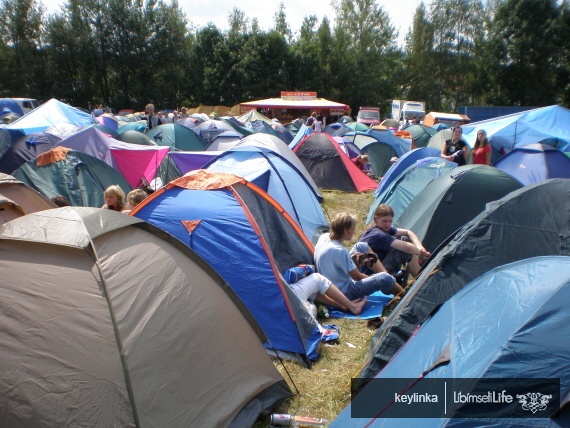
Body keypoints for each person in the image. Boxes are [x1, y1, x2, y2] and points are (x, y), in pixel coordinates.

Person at [314, 213, 404, 301]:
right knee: (384, 278)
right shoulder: (340, 251)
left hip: (330, 279)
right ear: (346, 230)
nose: (354, 232)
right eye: (353, 229)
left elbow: (333, 258)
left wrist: (350, 260)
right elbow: (357, 277)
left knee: (361, 246)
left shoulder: (324, 237)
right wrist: (374, 280)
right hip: (344, 292)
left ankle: (390, 279)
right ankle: (404, 295)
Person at [360, 204, 430, 278]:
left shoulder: (381, 228)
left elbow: (408, 232)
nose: (388, 224)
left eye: (390, 221)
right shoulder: (378, 234)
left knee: (404, 239)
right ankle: (423, 280)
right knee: (403, 251)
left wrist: (419, 247)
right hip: (370, 275)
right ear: (376, 218)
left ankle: (420, 274)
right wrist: (424, 254)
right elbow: (408, 248)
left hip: (378, 267)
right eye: (385, 221)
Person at [288, 272, 368, 316]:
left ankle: (343, 306)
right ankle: (352, 306)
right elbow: (356, 274)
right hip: (288, 296)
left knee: (313, 292)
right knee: (318, 278)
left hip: (283, 304)